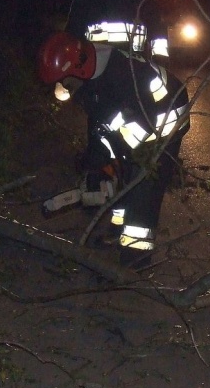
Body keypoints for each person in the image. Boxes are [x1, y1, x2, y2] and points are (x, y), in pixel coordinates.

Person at [36, 31, 189, 266]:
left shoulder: (121, 75)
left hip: (165, 116)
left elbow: (142, 121)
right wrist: (96, 164)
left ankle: (136, 259)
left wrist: (122, 156)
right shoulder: (89, 80)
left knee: (143, 183)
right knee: (121, 170)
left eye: (64, 82)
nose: (64, 89)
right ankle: (117, 230)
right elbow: (101, 126)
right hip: (140, 117)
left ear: (78, 69)